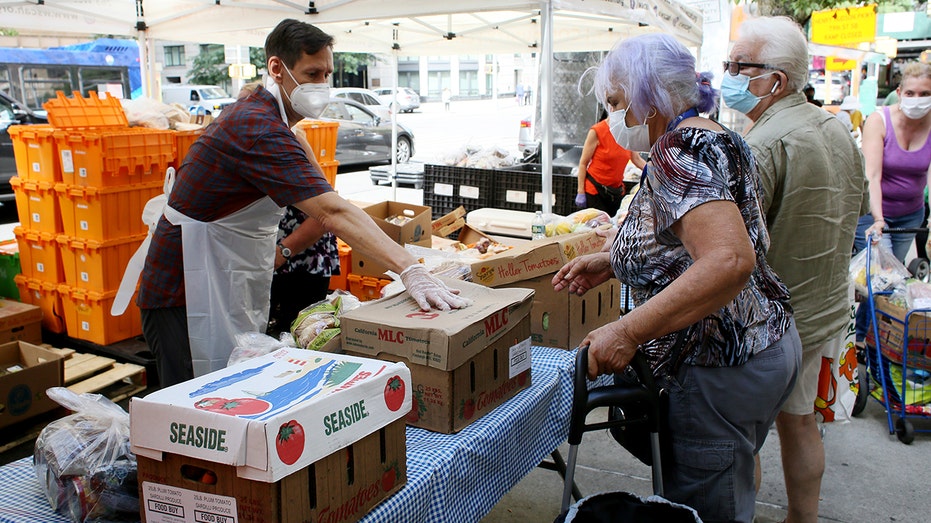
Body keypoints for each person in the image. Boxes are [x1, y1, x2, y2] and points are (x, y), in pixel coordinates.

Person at [135, 19, 470, 387]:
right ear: (277, 69)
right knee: (195, 405)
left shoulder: (276, 123)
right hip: (184, 292)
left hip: (218, 278)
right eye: (312, 73)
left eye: (327, 73)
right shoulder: (257, 127)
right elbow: (331, 212)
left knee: (226, 392)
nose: (321, 85)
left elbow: (331, 199)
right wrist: (410, 270)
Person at [552, 33, 801, 523]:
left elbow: (730, 259)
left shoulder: (672, 154)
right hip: (766, 343)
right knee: (731, 478)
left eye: (618, 102)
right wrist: (613, 260)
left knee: (708, 509)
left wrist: (628, 330)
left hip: (717, 362)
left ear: (649, 97)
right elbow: (711, 234)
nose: (613, 118)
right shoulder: (719, 135)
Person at [725, 16, 868, 523]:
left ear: (776, 80)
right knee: (800, 423)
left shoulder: (760, 145)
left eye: (739, 66)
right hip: (825, 307)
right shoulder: (835, 127)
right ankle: (802, 519)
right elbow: (856, 207)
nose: (729, 75)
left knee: (744, 435)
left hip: (772, 323)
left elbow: (731, 247)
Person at [853, 61, 931, 345]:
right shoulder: (879, 120)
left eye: (925, 93)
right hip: (874, 215)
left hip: (911, 215)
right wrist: (878, 219)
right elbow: (872, 175)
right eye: (910, 93)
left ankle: (876, 339)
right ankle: (865, 341)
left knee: (892, 283)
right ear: (899, 93)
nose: (917, 100)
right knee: (880, 282)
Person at [575, 108, 646, 216]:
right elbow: (583, 163)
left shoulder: (628, 133)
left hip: (615, 191)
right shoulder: (597, 131)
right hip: (595, 191)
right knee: (597, 227)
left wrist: (653, 171)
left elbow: (636, 159)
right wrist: (580, 191)